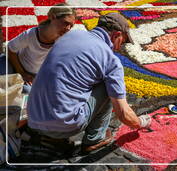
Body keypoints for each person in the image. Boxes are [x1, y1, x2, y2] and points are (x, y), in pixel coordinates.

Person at [27, 12, 151, 152]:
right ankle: (94, 139)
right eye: (122, 41)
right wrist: (140, 123)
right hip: (62, 125)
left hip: (33, 117)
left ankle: (52, 133)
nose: (120, 47)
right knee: (110, 87)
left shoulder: (70, 35)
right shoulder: (111, 61)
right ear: (116, 35)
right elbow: (123, 113)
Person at [0, 3, 76, 93]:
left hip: (33, 74)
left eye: (71, 26)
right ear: (53, 17)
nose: (68, 28)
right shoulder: (31, 34)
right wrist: (22, 73)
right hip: (14, 64)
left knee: (28, 91)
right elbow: (10, 49)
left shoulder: (62, 42)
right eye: (66, 23)